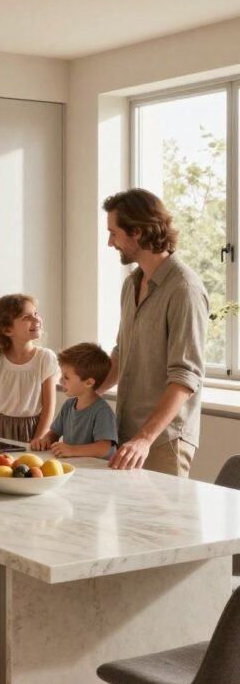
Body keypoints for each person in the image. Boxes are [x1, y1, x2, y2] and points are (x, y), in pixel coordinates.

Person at [101, 188, 208, 476]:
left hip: (162, 441)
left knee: (161, 523)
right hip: (126, 433)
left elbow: (186, 376)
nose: (110, 242)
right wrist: (83, 398)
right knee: (126, 521)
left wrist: (144, 439)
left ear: (137, 231)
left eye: (113, 232)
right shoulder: (131, 284)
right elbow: (122, 353)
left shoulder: (184, 289)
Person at [0, 293, 58, 449]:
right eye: (27, 317)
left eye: (35, 313)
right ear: (7, 330)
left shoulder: (45, 358)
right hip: (2, 429)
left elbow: (49, 406)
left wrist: (39, 438)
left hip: (35, 428)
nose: (36, 320)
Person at [41, 343, 117, 459]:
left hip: (93, 473)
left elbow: (104, 448)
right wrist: (45, 440)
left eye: (66, 377)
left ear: (89, 382)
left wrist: (71, 450)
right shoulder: (68, 406)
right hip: (75, 467)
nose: (61, 381)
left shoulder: (102, 411)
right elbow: (54, 434)